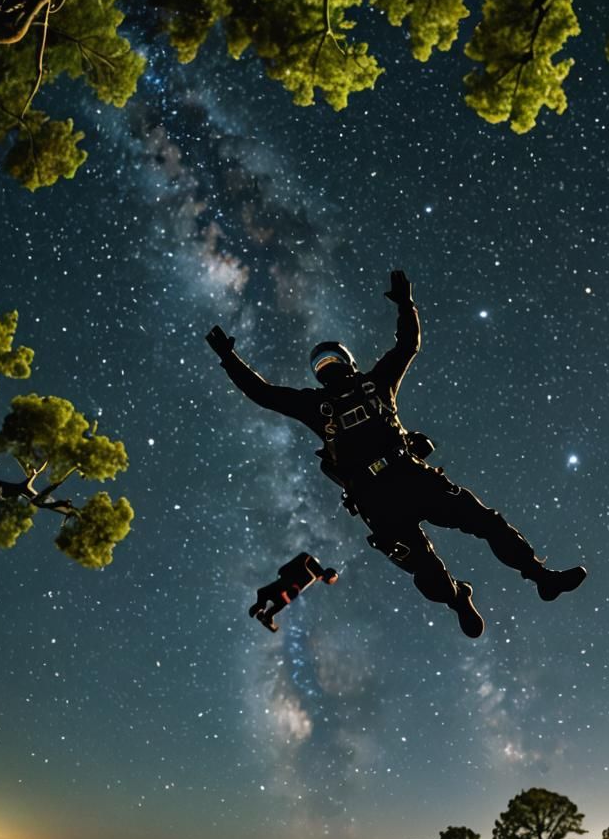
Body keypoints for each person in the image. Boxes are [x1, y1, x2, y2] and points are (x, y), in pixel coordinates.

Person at [205, 270, 585, 638]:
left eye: (332, 360)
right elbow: (265, 394)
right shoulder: (316, 406)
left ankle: (541, 578)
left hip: (412, 475)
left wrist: (406, 304)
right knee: (428, 573)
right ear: (318, 375)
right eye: (322, 365)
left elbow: (407, 346)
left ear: (348, 361)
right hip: (376, 500)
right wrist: (229, 360)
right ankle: (457, 598)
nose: (329, 368)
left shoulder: (376, 383)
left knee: (487, 522)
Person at [250, 552, 338, 632]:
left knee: (273, 598)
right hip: (287, 584)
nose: (333, 581)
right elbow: (303, 563)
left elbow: (303, 560)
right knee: (271, 596)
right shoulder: (313, 572)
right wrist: (290, 593)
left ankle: (264, 613)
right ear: (328, 576)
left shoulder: (315, 573)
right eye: (332, 579)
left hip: (287, 583)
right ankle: (263, 611)